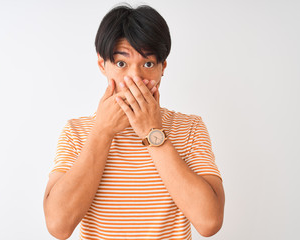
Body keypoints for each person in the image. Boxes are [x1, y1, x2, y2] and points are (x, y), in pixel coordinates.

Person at [43, 3, 225, 240]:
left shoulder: (190, 128)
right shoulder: (76, 132)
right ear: (102, 65)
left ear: (162, 68)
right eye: (121, 63)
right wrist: (102, 133)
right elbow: (58, 226)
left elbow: (209, 222)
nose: (135, 78)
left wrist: (152, 133)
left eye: (148, 64)